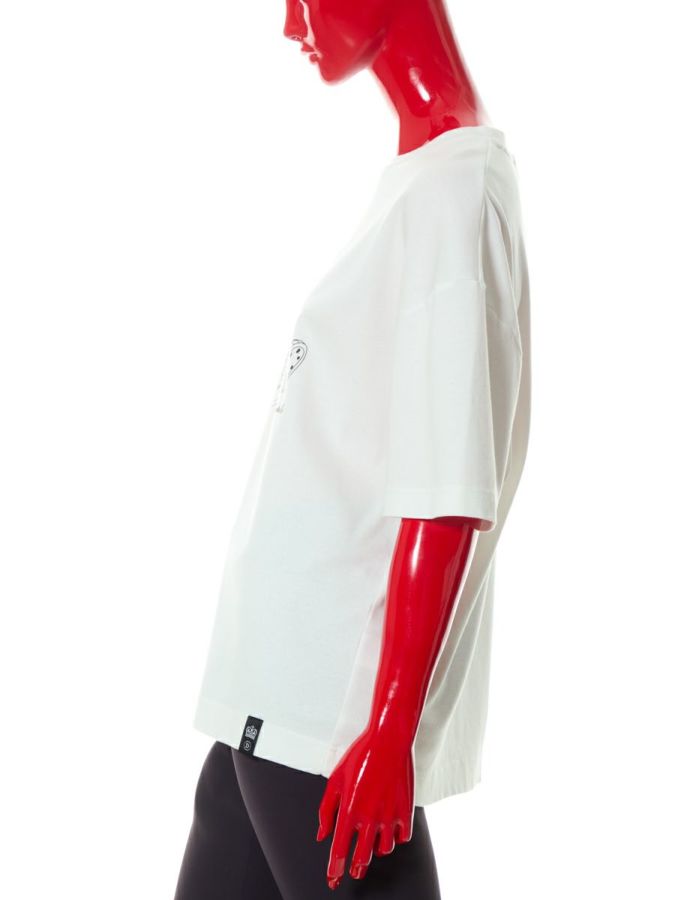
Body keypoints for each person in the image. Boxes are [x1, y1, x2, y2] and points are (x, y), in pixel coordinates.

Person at [174, 0, 531, 896]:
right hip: (275, 697)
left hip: (328, 726)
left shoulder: (453, 191)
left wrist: (391, 731)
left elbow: (447, 489)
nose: (292, 25)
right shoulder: (422, 179)